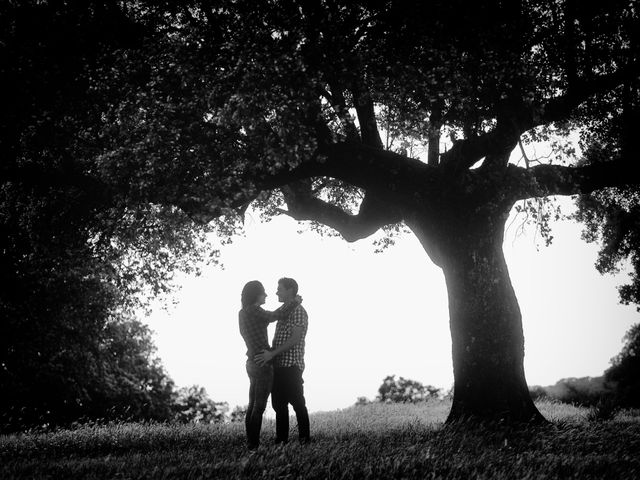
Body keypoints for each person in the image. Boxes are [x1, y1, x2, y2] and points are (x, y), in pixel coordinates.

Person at [238, 280, 300, 450]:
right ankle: (253, 446)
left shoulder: (244, 312)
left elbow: (266, 319)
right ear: (256, 294)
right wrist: (294, 302)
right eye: (263, 292)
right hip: (262, 362)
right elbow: (274, 316)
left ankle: (250, 442)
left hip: (251, 361)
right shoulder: (254, 310)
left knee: (252, 405)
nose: (266, 295)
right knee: (259, 406)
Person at [254, 277, 310, 445]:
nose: (276, 292)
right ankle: (281, 440)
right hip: (278, 365)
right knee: (279, 404)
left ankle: (305, 438)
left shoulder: (298, 310)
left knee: (298, 402)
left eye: (280, 289)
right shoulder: (284, 309)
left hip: (291, 365)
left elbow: (295, 339)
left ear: (290, 290)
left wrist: (272, 354)